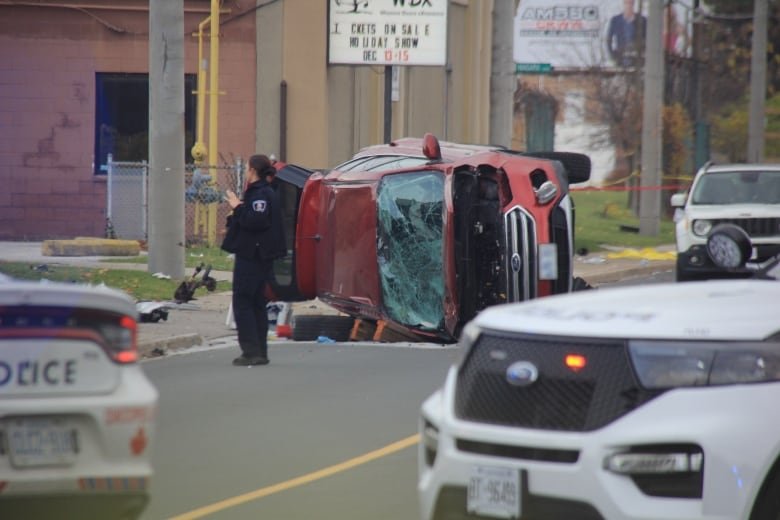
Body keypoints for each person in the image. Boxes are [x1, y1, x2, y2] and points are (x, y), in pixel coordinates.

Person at [221, 154, 286, 366]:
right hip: (259, 254)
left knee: (243, 301)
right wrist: (237, 211)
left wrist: (237, 206)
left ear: (253, 171)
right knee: (257, 302)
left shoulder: (260, 194)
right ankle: (260, 351)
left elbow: (256, 221)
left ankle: (251, 351)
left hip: (253, 256)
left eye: (248, 168)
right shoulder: (266, 192)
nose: (246, 172)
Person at [606, 0, 647, 68]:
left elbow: (648, 39)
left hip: (637, 59)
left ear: (633, 4)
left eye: (630, 3)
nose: (628, 6)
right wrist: (612, 56)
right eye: (626, 3)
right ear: (623, 4)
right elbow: (609, 39)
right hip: (621, 58)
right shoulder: (615, 20)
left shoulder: (642, 20)